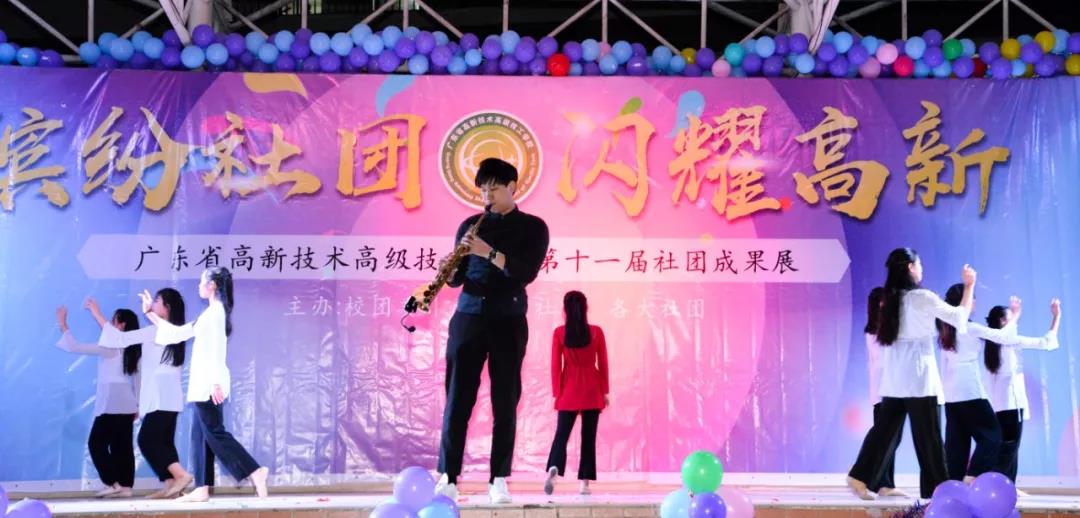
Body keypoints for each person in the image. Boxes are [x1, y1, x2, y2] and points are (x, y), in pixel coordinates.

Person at [434, 158, 550, 504]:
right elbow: (457, 279)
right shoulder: (469, 225)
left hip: (507, 318)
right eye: (483, 189)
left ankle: (498, 478)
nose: (487, 195)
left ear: (513, 187)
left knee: (505, 399)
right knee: (457, 398)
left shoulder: (533, 227)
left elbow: (525, 273)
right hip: (468, 317)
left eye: (494, 189)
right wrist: (448, 269)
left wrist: (489, 253)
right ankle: (448, 476)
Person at [847, 248, 975, 499]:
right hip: (919, 378)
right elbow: (959, 317)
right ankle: (940, 491)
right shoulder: (922, 297)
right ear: (910, 267)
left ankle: (860, 475)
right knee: (929, 439)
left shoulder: (889, 300)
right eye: (919, 264)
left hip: (895, 379)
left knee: (885, 432)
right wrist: (969, 286)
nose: (922, 268)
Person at [136, 267, 269, 502]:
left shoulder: (215, 313)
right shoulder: (210, 314)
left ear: (212, 285)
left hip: (209, 384)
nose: (198, 286)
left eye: (201, 282)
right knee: (200, 438)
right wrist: (149, 313)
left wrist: (215, 383)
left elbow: (217, 350)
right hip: (203, 384)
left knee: (215, 433)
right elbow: (178, 333)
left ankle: (254, 470)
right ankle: (202, 488)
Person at [91, 290, 194, 499]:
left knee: (147, 440)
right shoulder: (173, 332)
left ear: (167, 308)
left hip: (159, 397)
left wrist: (97, 314)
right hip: (170, 397)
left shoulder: (154, 331)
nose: (153, 303)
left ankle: (181, 475)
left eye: (157, 300)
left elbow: (119, 338)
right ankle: (171, 485)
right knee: (164, 442)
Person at [54, 305, 140, 498]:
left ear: (121, 325)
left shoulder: (112, 347)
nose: (109, 324)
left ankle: (113, 482)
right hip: (126, 402)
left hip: (113, 402)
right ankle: (125, 486)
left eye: (113, 321)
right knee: (122, 446)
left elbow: (75, 346)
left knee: (96, 443)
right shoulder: (131, 349)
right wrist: (136, 404)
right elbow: (137, 380)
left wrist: (63, 324)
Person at [983, 297, 1061, 490]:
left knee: (1008, 445)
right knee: (1010, 446)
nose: (1016, 323)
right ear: (1003, 323)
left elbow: (1045, 342)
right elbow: (1044, 342)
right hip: (1011, 404)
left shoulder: (992, 345)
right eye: (1012, 319)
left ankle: (1006, 486)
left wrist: (1056, 317)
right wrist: (1056, 316)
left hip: (1001, 404)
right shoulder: (1006, 342)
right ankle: (998, 485)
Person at [543, 291, 609, 496]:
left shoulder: (559, 333)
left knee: (561, 434)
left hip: (568, 388)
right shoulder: (596, 332)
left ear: (565, 310)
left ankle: (554, 466)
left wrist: (557, 392)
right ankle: (584, 483)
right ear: (585, 308)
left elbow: (556, 365)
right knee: (588, 437)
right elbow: (603, 363)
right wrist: (605, 391)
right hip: (592, 387)